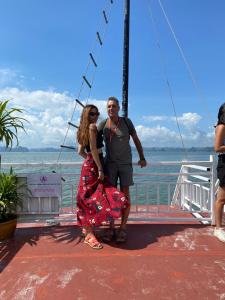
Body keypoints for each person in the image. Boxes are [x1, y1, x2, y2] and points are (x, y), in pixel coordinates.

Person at [76, 104, 130, 249]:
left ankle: (88, 230)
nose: (96, 116)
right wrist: (99, 166)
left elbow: (80, 151)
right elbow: (93, 149)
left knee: (87, 198)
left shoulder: (82, 129)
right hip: (95, 166)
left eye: (97, 113)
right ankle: (89, 234)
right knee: (103, 197)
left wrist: (89, 159)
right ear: (87, 115)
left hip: (88, 165)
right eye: (92, 114)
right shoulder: (92, 127)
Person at [98, 96, 147, 242]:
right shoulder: (103, 124)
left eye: (113, 106)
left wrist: (142, 157)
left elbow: (136, 139)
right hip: (110, 165)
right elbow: (92, 139)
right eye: (108, 107)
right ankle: (111, 227)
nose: (111, 109)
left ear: (119, 108)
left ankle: (123, 228)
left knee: (125, 196)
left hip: (125, 165)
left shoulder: (126, 122)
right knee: (110, 198)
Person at [214, 103, 225, 242]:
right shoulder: (222, 126)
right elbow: (217, 148)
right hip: (224, 162)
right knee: (222, 198)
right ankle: (218, 228)